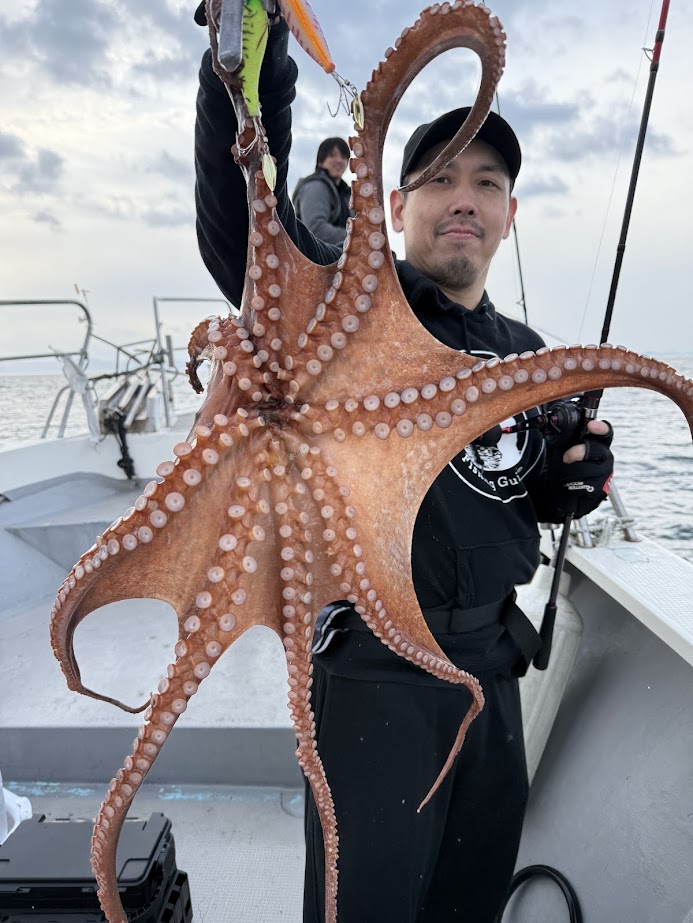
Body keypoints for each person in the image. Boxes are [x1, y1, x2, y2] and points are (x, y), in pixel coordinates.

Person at [193, 8, 614, 922]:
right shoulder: (342, 320)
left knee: (468, 904)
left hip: (492, 678)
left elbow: (520, 486)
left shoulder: (527, 355)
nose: (464, 197)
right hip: (372, 678)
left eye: (486, 181)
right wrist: (252, 63)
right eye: (439, 178)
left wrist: (565, 483)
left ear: (508, 214)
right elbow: (241, 231)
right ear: (393, 207)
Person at [292, 137, 353, 245]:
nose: (339, 160)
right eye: (332, 155)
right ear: (320, 160)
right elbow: (316, 230)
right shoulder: (315, 186)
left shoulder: (346, 193)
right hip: (318, 254)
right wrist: (357, 237)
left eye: (343, 157)